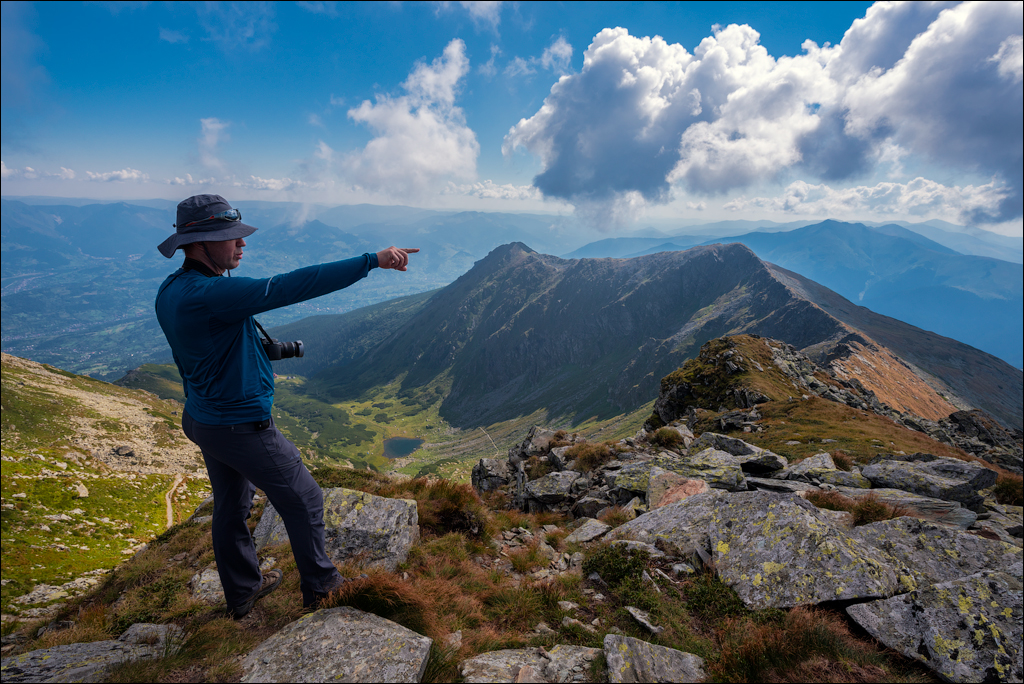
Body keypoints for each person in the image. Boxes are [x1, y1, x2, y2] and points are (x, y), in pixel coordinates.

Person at [154, 194, 417, 618]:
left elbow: (209, 348)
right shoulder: (211, 293)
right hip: (240, 424)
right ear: (200, 243)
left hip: (204, 417)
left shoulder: (173, 289)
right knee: (306, 498)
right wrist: (373, 260)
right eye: (230, 238)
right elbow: (291, 285)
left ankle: (242, 593)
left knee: (232, 508)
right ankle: (322, 587)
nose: (241, 245)